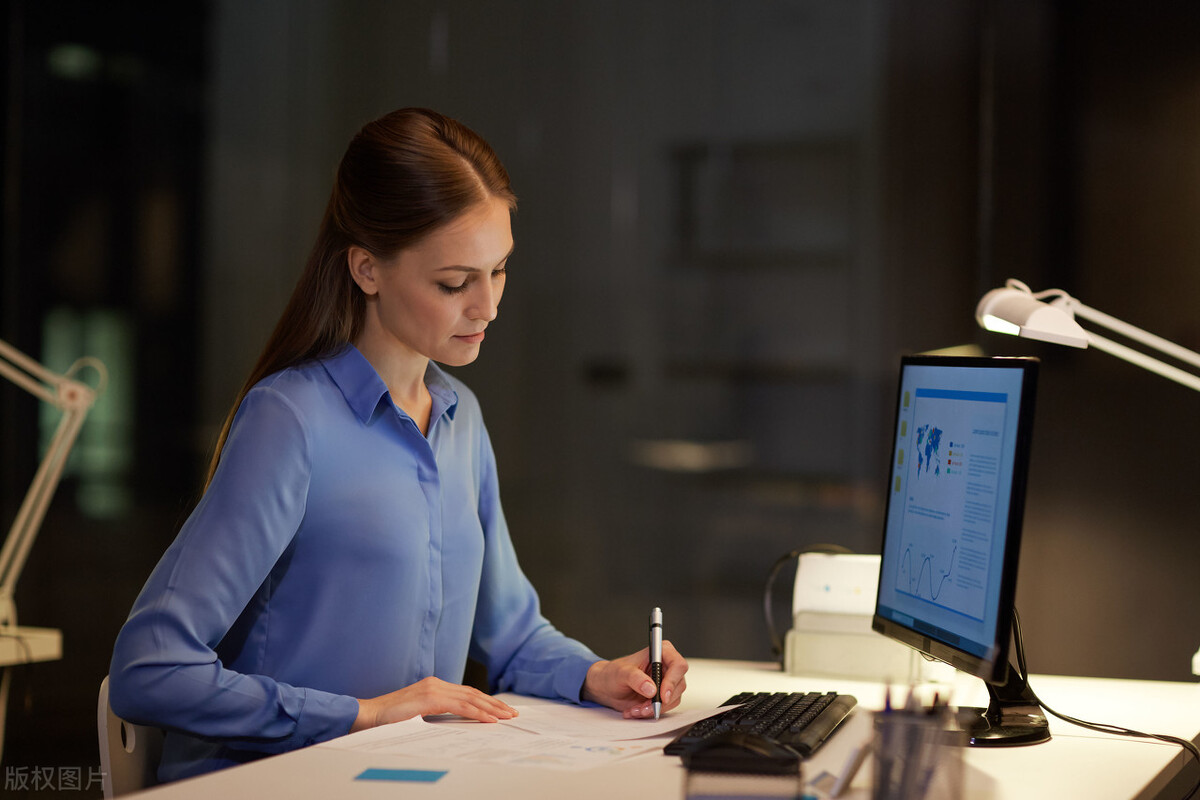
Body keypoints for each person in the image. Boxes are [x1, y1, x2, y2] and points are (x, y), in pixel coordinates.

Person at [107, 107, 688, 783]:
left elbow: (511, 634)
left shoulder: (460, 417)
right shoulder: (289, 421)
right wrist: (364, 714)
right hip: (276, 783)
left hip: (406, 780)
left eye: (498, 271)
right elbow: (150, 669)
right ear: (367, 270)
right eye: (454, 283)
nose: (488, 307)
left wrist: (598, 675)